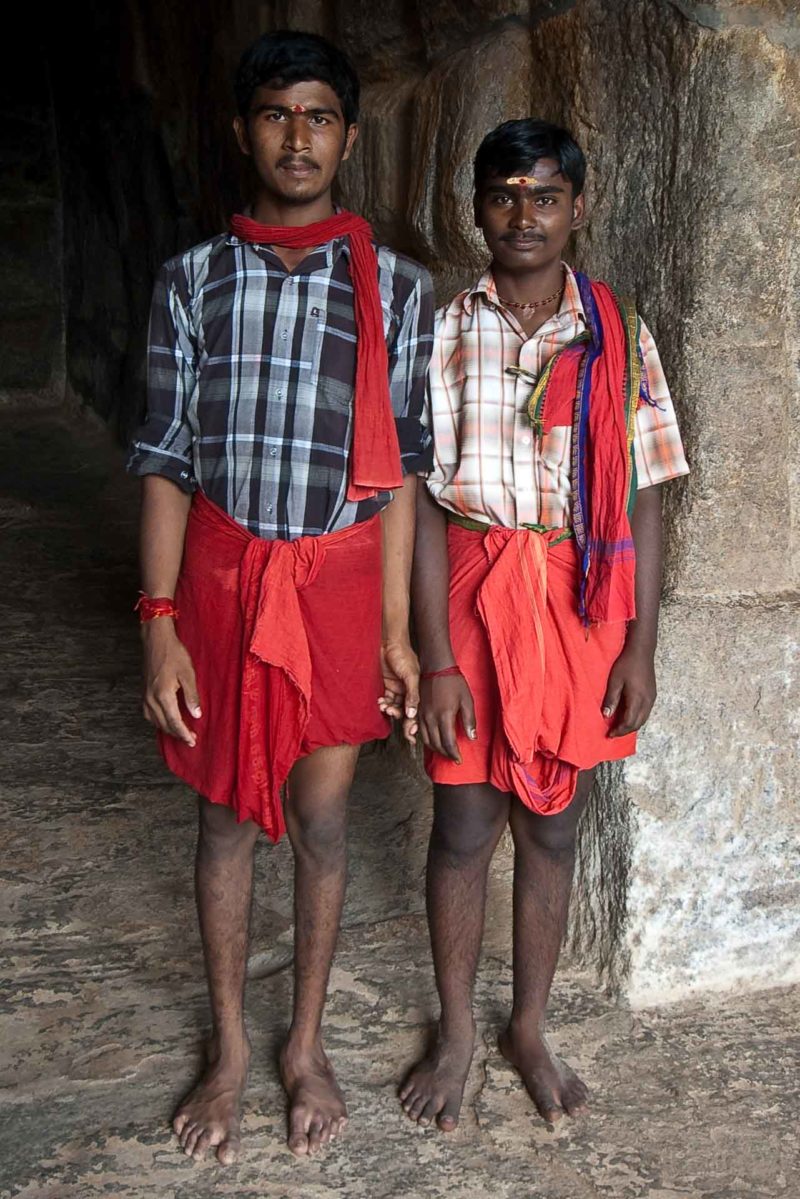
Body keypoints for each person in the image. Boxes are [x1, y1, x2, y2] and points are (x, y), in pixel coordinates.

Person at [127, 30, 433, 1163]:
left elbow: (397, 471)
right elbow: (163, 456)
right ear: (242, 131)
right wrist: (158, 626)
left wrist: (397, 632)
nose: (295, 136)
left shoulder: (397, 288)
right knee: (219, 817)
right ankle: (228, 1051)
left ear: (348, 138)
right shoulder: (191, 280)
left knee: (319, 817)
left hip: (341, 581)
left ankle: (303, 1043)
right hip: (218, 576)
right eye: (274, 114)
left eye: (317, 116)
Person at [400, 118, 689, 1132]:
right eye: (502, 195)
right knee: (463, 821)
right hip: (473, 591)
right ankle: (455, 1032)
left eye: (543, 196)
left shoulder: (616, 332)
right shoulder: (442, 330)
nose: (521, 216)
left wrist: (638, 647)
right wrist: (434, 657)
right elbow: (426, 502)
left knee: (553, 821)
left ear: (577, 205)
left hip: (575, 601)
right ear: (473, 207)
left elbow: (643, 496)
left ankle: (527, 1022)